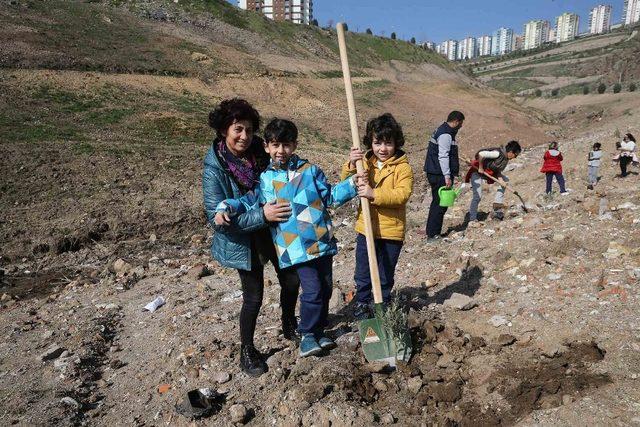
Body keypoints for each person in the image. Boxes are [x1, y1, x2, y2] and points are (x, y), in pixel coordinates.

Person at [215, 118, 361, 358]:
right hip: (294, 248)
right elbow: (248, 201)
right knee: (312, 291)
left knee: (325, 290)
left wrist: (353, 183)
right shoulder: (266, 180)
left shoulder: (310, 171)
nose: (280, 151)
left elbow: (331, 198)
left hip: (321, 241)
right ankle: (307, 334)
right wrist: (226, 207)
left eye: (285, 145)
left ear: (294, 145)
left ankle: (319, 329)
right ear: (266, 147)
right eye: (275, 145)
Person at [202, 99, 299, 377]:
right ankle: (247, 348)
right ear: (224, 130)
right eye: (237, 129)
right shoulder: (214, 169)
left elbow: (287, 166)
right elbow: (218, 220)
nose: (245, 136)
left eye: (249, 129)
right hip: (244, 241)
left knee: (291, 279)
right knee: (253, 297)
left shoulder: (262, 150)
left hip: (276, 229)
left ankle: (289, 322)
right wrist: (262, 215)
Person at [340, 113, 413, 320]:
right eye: (377, 143)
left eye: (388, 143)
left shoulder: (403, 167)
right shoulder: (365, 162)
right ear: (370, 143)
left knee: (384, 274)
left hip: (391, 231)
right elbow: (345, 182)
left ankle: (382, 304)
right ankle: (362, 302)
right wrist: (351, 164)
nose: (382, 149)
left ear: (396, 143)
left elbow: (402, 194)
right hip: (367, 229)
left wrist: (374, 194)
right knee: (363, 271)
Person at [424, 111, 464, 241]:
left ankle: (432, 232)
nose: (461, 126)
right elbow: (443, 155)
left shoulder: (441, 129)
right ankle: (433, 234)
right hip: (439, 174)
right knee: (440, 204)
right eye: (461, 123)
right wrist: (447, 176)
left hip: (435, 171)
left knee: (437, 202)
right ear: (457, 121)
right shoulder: (446, 134)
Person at [464, 141, 522, 224]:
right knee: (478, 196)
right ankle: (472, 219)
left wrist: (501, 180)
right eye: (515, 155)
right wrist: (480, 167)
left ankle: (497, 203)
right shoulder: (497, 153)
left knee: (505, 180)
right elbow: (481, 154)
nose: (515, 157)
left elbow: (497, 170)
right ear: (511, 152)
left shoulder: (505, 159)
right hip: (477, 172)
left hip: (488, 173)